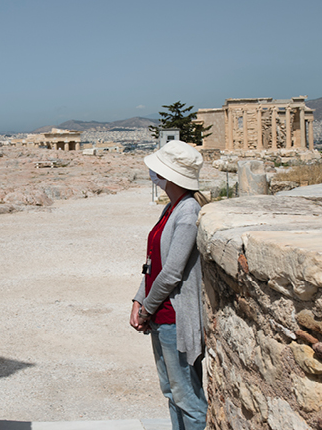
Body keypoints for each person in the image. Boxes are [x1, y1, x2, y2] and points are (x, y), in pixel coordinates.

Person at [130, 140, 208, 430]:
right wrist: (138, 300)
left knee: (188, 399)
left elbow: (172, 272)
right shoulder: (171, 208)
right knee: (171, 392)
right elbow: (153, 263)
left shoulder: (188, 213)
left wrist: (146, 309)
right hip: (159, 315)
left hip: (174, 318)